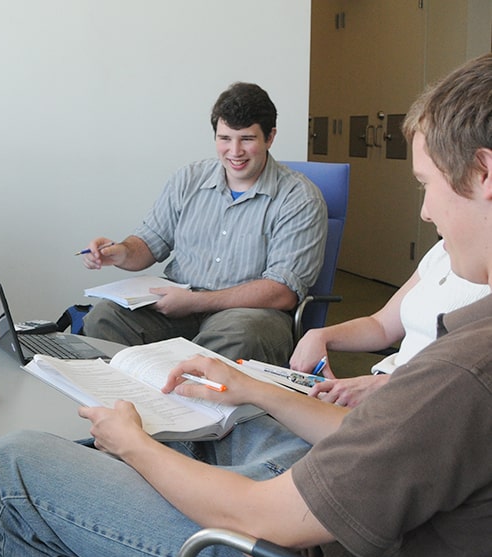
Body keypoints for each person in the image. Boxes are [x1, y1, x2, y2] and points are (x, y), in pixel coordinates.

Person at [0, 53, 492, 557]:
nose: (425, 213)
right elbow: (147, 243)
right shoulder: (460, 347)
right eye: (224, 139)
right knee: (221, 412)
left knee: (12, 463)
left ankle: (108, 484)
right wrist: (255, 389)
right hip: (344, 521)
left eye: (424, 184)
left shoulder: (461, 369)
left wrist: (133, 445)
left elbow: (266, 516)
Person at [80, 82, 327, 365]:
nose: (234, 151)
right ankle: (131, 401)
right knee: (103, 318)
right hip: (179, 305)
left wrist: (197, 302)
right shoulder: (188, 179)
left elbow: (281, 293)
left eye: (247, 139)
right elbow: (149, 243)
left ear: (270, 137)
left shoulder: (300, 198)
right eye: (225, 138)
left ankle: (182, 404)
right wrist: (120, 252)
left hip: (250, 313)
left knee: (239, 336)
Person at [290, 239, 489, 406]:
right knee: (271, 411)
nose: (425, 213)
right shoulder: (442, 251)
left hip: (419, 402)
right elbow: (382, 326)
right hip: (385, 392)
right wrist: (320, 336)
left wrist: (385, 385)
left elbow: (463, 380)